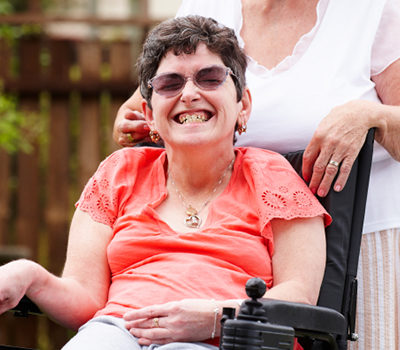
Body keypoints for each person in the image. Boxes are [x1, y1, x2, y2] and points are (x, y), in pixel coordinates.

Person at [0, 16, 330, 349]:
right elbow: (84, 298)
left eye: (210, 78)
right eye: (170, 83)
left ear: (242, 105)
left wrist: (218, 316)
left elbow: (299, 297)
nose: (189, 94)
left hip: (226, 339)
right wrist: (29, 275)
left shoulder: (272, 178)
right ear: (148, 112)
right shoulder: (119, 173)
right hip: (116, 330)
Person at [113, 1, 400, 349]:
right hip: (227, 254)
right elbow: (144, 107)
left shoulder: (373, 10)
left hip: (357, 245)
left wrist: (373, 115)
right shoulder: (207, 7)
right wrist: (134, 122)